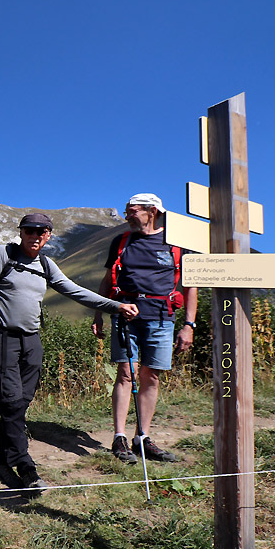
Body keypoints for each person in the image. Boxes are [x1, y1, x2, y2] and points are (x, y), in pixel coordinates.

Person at [0, 213, 138, 494]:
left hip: (32, 341)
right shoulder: (4, 254)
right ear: (21, 232)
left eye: (41, 231)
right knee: (11, 402)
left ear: (48, 236)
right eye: (30, 230)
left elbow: (74, 291)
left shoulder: (46, 264)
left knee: (19, 404)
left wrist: (115, 306)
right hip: (1, 337)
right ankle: (25, 466)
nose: (35, 235)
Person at [92, 193, 198, 465]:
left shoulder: (176, 244)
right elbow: (108, 279)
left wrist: (189, 324)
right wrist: (99, 313)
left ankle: (142, 437)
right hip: (125, 315)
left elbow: (190, 286)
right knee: (126, 373)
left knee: (151, 376)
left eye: (132, 210)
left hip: (162, 317)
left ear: (152, 211)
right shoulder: (121, 242)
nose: (126, 215)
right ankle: (119, 436)